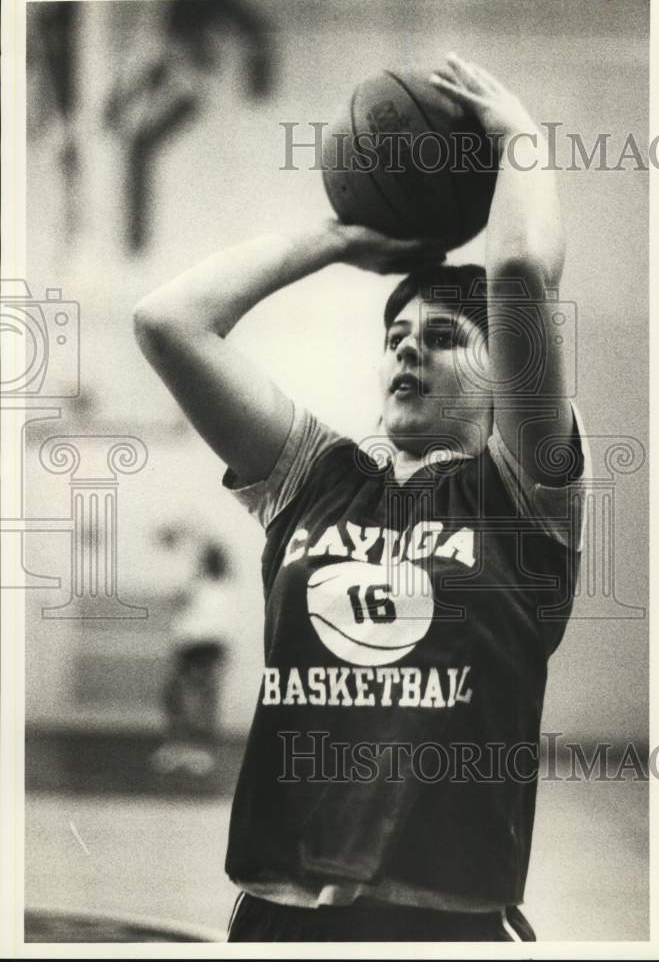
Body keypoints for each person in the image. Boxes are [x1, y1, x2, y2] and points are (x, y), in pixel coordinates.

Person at [133, 52, 589, 942]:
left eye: (446, 334)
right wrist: (343, 237)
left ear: (508, 380)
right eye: (396, 334)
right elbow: (169, 322)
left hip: (443, 925)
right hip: (280, 915)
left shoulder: (524, 497)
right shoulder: (316, 481)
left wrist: (520, 140)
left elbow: (523, 275)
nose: (409, 350)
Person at [151, 539, 233, 777]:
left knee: (203, 697)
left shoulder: (219, 587)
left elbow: (182, 604)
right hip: (189, 646)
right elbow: (177, 604)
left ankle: (200, 750)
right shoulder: (200, 584)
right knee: (176, 695)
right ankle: (177, 747)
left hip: (207, 646)